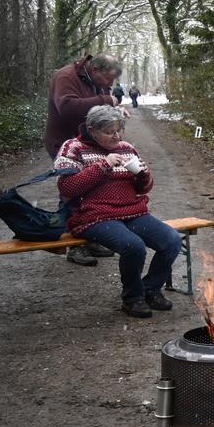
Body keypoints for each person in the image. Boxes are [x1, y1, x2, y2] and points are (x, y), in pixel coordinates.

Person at [53, 105, 181, 318]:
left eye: (119, 130)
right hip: (93, 215)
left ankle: (150, 289)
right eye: (109, 132)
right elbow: (67, 187)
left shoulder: (126, 148)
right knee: (133, 246)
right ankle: (132, 298)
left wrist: (143, 175)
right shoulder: (73, 148)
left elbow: (142, 189)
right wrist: (103, 165)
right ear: (92, 130)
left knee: (171, 240)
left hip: (132, 212)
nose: (117, 136)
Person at [45, 53, 127, 266]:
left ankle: (89, 238)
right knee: (72, 191)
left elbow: (99, 110)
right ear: (95, 70)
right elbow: (67, 108)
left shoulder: (97, 81)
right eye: (108, 79)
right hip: (65, 144)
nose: (109, 84)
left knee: (93, 189)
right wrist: (108, 101)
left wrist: (114, 111)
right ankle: (75, 245)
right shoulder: (65, 77)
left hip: (90, 142)